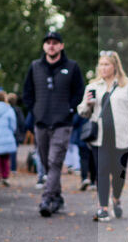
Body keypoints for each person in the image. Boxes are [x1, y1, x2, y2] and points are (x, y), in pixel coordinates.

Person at [23, 31, 84, 217]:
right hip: (41, 123)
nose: (51, 45)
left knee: (54, 161)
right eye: (48, 42)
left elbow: (78, 92)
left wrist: (69, 109)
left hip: (62, 124)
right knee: (45, 162)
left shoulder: (72, 67)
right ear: (44, 46)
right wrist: (35, 110)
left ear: (61, 46)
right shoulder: (35, 67)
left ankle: (47, 198)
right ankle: (57, 197)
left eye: (55, 42)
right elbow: (27, 93)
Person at [78, 51, 128, 222]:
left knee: (119, 174)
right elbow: (83, 112)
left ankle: (116, 199)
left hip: (122, 139)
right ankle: (103, 207)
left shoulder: (127, 86)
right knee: (101, 171)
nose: (103, 67)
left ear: (115, 66)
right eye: (101, 64)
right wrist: (87, 103)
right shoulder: (92, 86)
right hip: (99, 139)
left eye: (106, 64)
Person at [6, 92, 25, 173]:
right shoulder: (18, 110)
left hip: (6, 132)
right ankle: (13, 168)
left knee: (5, 150)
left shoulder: (5, 109)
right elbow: (21, 122)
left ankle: (5, 168)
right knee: (13, 150)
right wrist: (22, 132)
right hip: (15, 132)